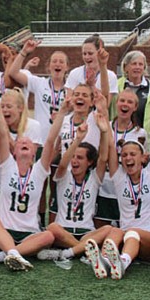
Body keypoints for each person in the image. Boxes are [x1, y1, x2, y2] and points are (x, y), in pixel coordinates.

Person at [0, 86, 65, 272]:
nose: (24, 142)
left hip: (28, 234)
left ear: (34, 153)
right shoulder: (7, 166)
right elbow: (1, 132)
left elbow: (49, 141)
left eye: (28, 143)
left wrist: (63, 111)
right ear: (13, 151)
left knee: (48, 236)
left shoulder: (39, 171)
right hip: (4, 232)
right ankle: (13, 253)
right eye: (20, 142)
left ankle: (3, 256)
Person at [84, 87, 150, 281]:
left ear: (142, 158)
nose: (128, 158)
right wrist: (104, 116)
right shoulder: (120, 177)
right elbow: (110, 145)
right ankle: (105, 261)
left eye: (133, 155)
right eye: (124, 155)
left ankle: (121, 262)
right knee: (115, 230)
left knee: (131, 232)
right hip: (127, 238)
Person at [37, 107, 112, 262]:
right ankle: (85, 250)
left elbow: (103, 158)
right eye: (74, 157)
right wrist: (77, 139)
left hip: (86, 232)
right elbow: (63, 164)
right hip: (63, 230)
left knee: (109, 229)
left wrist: (104, 132)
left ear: (90, 161)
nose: (75, 161)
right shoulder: (64, 176)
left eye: (80, 158)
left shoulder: (93, 179)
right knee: (51, 228)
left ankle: (69, 253)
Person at [96, 89, 147, 228]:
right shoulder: (103, 126)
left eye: (130, 102)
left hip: (126, 191)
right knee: (101, 233)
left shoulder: (140, 133)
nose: (125, 104)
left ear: (135, 107)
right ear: (116, 103)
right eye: (122, 100)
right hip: (104, 188)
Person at [8, 39, 68, 139]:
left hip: (62, 140)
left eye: (61, 62)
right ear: (49, 66)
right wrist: (24, 52)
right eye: (54, 61)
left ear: (66, 67)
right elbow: (13, 73)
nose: (58, 64)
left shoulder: (72, 89)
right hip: (40, 140)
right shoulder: (40, 83)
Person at [112, 50, 150, 135]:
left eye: (140, 64)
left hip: (145, 139)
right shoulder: (115, 86)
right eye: (134, 64)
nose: (137, 67)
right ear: (125, 67)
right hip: (118, 136)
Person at [64, 34, 115, 104]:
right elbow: (69, 102)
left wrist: (92, 86)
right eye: (84, 54)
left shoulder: (111, 76)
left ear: (99, 53)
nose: (87, 57)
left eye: (90, 53)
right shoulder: (74, 73)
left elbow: (106, 104)